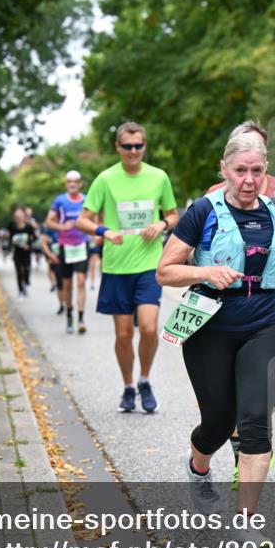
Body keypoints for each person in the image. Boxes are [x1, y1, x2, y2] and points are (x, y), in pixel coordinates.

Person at [157, 131, 275, 548]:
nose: (249, 180)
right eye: (240, 171)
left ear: (266, 173)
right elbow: (165, 271)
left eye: (257, 171)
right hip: (209, 325)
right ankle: (198, 467)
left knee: (255, 422)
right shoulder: (202, 211)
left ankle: (246, 521)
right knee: (217, 423)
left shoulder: (274, 209)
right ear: (224, 170)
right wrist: (204, 272)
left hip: (263, 322)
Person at [205, 121, 275, 487]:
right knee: (239, 388)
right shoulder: (214, 195)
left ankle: (253, 439)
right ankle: (246, 452)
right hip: (225, 306)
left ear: (265, 158)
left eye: (258, 156)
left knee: (272, 388)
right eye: (242, 155)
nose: (249, 172)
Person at [76, 121, 179, 413]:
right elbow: (83, 219)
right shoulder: (105, 179)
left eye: (138, 146)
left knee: (148, 328)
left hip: (149, 265)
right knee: (123, 334)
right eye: (128, 146)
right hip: (116, 266)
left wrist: (160, 223)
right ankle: (128, 386)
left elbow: (173, 215)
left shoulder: (159, 177)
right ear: (118, 147)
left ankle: (145, 380)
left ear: (144, 146)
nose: (134, 151)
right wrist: (104, 232)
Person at [47, 170, 90, 335]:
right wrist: (62, 227)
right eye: (69, 181)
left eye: (76, 181)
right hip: (65, 247)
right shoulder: (60, 201)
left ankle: (81, 318)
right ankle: (69, 315)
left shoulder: (86, 200)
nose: (72, 184)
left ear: (80, 184)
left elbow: (94, 219)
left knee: (80, 282)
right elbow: (49, 221)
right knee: (67, 284)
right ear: (66, 183)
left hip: (81, 246)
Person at [8, 208, 35, 299]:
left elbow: (33, 238)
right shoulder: (12, 227)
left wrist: (29, 245)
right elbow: (9, 238)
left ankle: (26, 283)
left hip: (26, 253)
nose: (18, 219)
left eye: (20, 217)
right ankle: (20, 291)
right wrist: (12, 243)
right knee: (19, 272)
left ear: (24, 217)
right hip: (17, 253)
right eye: (16, 217)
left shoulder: (28, 227)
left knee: (27, 270)